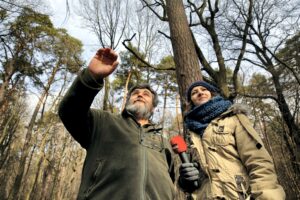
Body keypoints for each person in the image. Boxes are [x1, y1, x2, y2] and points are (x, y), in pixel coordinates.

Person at [58, 48, 175, 200]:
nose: (140, 94)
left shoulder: (163, 142)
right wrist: (91, 77)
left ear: (153, 107)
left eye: (146, 94)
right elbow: (70, 111)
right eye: (135, 93)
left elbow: (170, 180)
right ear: (127, 102)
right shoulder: (103, 122)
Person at [177, 81, 285, 200]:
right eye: (194, 92)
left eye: (204, 89)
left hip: (238, 195)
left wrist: (265, 195)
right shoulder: (190, 132)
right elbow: (192, 178)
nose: (200, 93)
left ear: (212, 94)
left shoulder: (234, 118)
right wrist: (185, 180)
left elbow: (258, 161)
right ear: (191, 100)